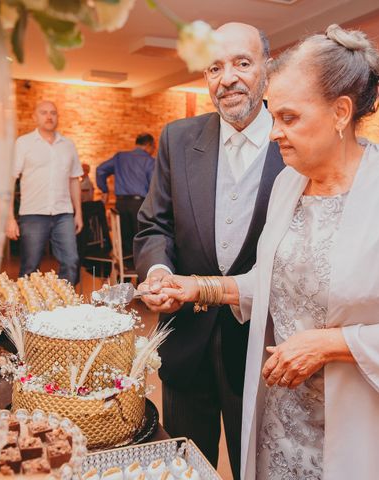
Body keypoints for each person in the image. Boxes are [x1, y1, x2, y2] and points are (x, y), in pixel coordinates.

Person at [159, 24, 379, 480]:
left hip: (367, 426)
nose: (274, 133)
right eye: (273, 115)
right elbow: (273, 282)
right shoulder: (291, 183)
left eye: (289, 118)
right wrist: (198, 288)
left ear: (340, 113)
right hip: (284, 422)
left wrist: (331, 344)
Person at [134, 23, 284, 479]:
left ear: (266, 70)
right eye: (214, 67)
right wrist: (158, 271)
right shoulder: (178, 139)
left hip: (264, 352)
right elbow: (153, 224)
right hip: (185, 343)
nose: (228, 78)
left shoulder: (292, 142)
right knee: (182, 467)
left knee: (254, 469)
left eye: (242, 63)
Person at [5, 100, 83, 284]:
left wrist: (78, 213)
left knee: (71, 262)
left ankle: (66, 309)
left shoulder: (68, 145)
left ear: (58, 117)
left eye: (53, 113)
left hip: (63, 213)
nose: (49, 116)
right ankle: (26, 311)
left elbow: (74, 179)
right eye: (44, 112)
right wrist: (9, 218)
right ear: (34, 116)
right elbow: (10, 180)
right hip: (32, 214)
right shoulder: (23, 143)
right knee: (30, 267)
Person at [96, 133, 156, 256]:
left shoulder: (120, 157)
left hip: (121, 204)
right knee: (142, 239)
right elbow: (153, 185)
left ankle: (125, 269)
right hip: (140, 205)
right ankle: (141, 272)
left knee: (125, 240)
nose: (153, 150)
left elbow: (100, 170)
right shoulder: (150, 161)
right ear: (149, 145)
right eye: (153, 147)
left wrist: (104, 190)